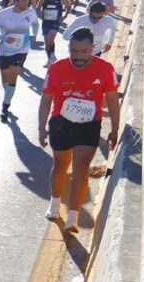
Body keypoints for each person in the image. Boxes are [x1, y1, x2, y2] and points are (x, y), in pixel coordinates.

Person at [39, 27, 119, 232]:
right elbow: (46, 99)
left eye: (84, 52)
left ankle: (72, 218)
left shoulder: (105, 68)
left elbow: (111, 99)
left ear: (93, 48)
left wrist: (114, 129)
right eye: (74, 51)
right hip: (61, 122)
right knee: (60, 167)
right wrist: (41, 127)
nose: (78, 56)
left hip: (89, 124)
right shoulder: (56, 68)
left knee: (81, 169)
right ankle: (55, 204)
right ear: (69, 48)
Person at [0, 0, 39, 122]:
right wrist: (4, 38)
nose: (28, 3)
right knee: (5, 79)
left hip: (22, 49)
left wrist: (34, 34)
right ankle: (8, 97)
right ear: (16, 1)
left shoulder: (31, 12)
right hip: (4, 51)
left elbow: (35, 24)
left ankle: (5, 106)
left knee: (13, 74)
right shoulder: (3, 14)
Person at [38, 0, 71, 66]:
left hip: (56, 22)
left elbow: (69, 7)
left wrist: (65, 17)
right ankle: (50, 58)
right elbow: (37, 7)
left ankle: (52, 56)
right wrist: (39, 14)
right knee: (47, 42)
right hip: (46, 22)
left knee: (50, 37)